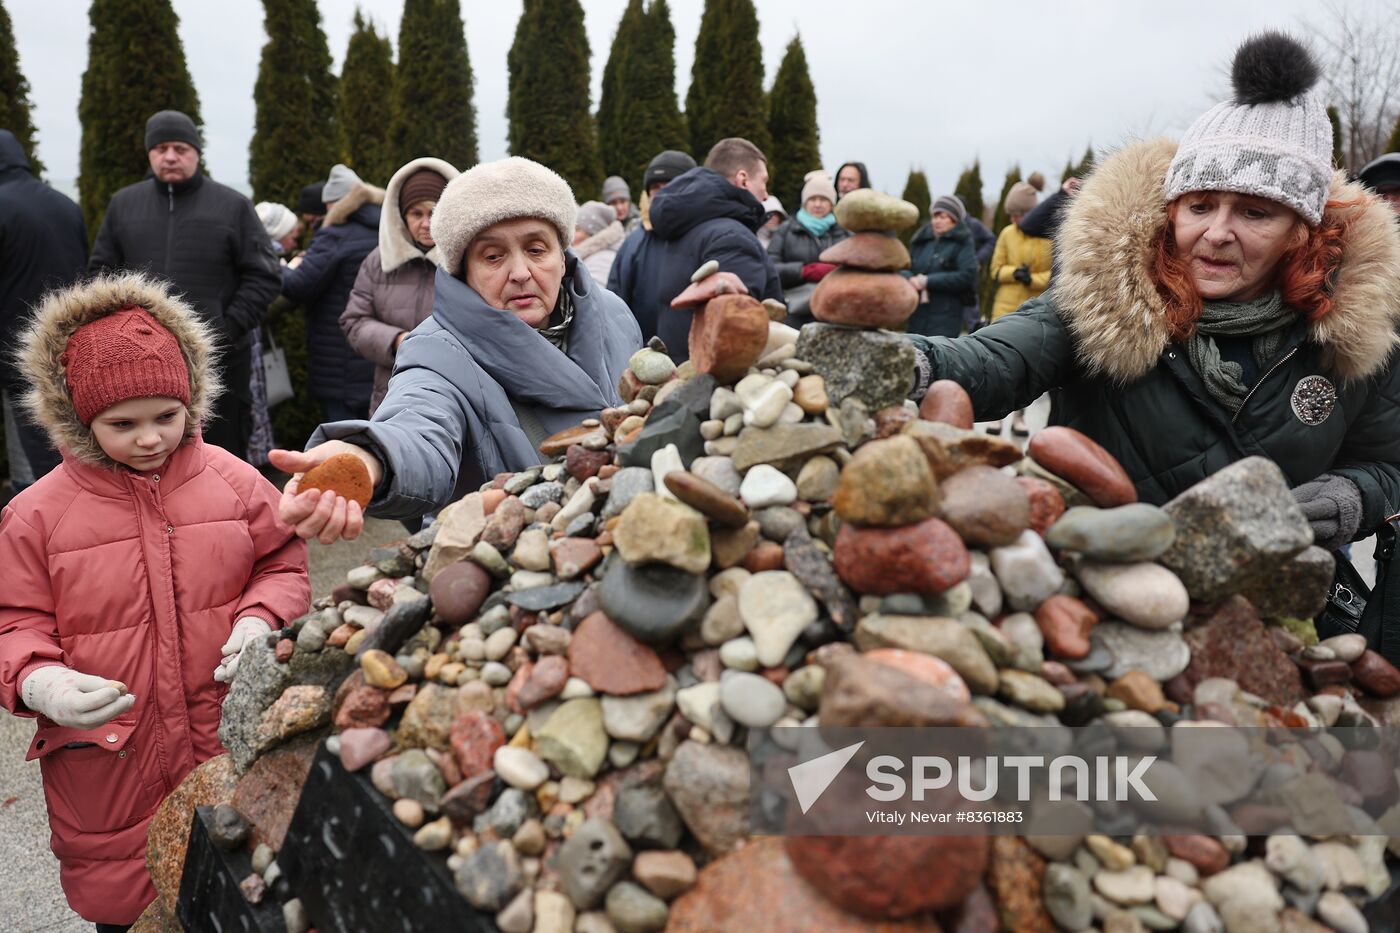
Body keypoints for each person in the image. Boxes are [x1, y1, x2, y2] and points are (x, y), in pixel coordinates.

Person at [907, 33, 1400, 558]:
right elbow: (993, 360)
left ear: (1301, 233)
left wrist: (1351, 496)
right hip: (1103, 589)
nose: (1217, 232)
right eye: (1200, 205)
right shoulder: (1108, 301)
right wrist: (907, 365)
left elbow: (1386, 463)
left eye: (1254, 213)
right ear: (1172, 210)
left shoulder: (1355, 337)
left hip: (1271, 611)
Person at [0, 273, 310, 929]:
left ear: (192, 400)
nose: (149, 438)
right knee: (133, 912)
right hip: (111, 770)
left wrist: (261, 616)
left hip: (226, 744)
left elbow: (281, 560)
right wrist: (38, 677)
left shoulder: (234, 482)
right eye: (122, 423)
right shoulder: (34, 515)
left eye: (167, 417)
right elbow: (13, 619)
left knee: (249, 902)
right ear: (79, 415)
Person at [268, 157, 643, 539]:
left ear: (561, 257)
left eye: (536, 249)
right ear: (463, 270)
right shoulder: (435, 353)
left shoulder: (613, 312)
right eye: (493, 256)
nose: (519, 272)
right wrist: (368, 457)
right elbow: (418, 424)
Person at [88, 110, 282, 463]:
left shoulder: (232, 205)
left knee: (217, 459)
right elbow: (101, 275)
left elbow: (264, 276)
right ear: (150, 154)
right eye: (161, 148)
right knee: (148, 458)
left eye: (180, 147)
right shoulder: (123, 205)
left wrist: (225, 328)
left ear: (196, 152)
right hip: (140, 364)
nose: (171, 156)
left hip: (217, 364)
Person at [611, 138, 782, 361]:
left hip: (680, 371)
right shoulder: (730, 236)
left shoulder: (686, 231)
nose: (766, 194)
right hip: (715, 384)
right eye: (764, 181)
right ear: (743, 179)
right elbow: (736, 333)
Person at [0, 129, 87, 496]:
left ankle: (37, 525)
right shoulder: (64, 204)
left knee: (30, 454)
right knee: (67, 441)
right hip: (70, 344)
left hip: (14, 348)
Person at [341, 156, 459, 415]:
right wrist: (396, 340)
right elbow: (354, 320)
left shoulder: (469, 262)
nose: (426, 224)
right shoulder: (379, 261)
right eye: (416, 213)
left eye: (434, 212)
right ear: (402, 216)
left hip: (457, 393)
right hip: (392, 395)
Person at [281, 163, 382, 426]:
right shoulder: (387, 231)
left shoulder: (335, 236)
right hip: (380, 354)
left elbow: (298, 286)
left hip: (339, 356)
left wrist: (281, 268)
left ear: (337, 204)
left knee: (345, 441)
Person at [984, 174, 1053, 436]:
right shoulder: (1006, 234)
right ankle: (995, 417)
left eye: (1020, 214)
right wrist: (1014, 273)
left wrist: (1032, 279)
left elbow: (1055, 274)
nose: (1014, 219)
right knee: (998, 364)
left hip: (1033, 309)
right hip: (1004, 308)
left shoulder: (1048, 237)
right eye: (1011, 214)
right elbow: (995, 269)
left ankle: (1019, 417)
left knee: (1028, 368)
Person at [606, 148, 697, 312]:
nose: (662, 194)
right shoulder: (632, 244)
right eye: (655, 187)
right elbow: (614, 311)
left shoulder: (708, 235)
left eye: (671, 184)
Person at [249, 202, 303, 466]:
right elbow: (266, 303)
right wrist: (291, 275)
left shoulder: (264, 253)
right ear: (277, 231)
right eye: (291, 229)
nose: (297, 234)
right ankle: (259, 455)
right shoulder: (267, 256)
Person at [766, 171, 849, 324]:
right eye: (813, 199)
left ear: (832, 203)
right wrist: (803, 271)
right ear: (804, 202)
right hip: (794, 312)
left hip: (835, 312)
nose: (817, 204)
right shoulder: (786, 230)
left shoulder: (843, 233)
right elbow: (770, 268)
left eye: (823, 199)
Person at [905, 194, 979, 338]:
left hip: (946, 316)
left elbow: (967, 274)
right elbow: (905, 266)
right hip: (917, 314)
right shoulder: (921, 241)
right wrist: (909, 279)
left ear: (954, 220)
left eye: (943, 217)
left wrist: (928, 281)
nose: (937, 221)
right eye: (934, 216)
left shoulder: (963, 242)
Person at [573, 200, 626, 287]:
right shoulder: (592, 256)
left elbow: (592, 298)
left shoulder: (601, 262)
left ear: (592, 234)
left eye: (578, 229)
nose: (572, 234)